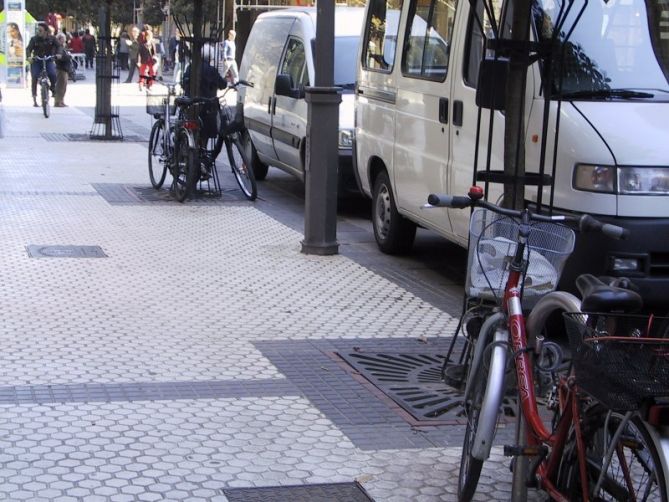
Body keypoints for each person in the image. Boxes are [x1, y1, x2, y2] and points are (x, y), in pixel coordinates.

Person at [183, 44, 227, 145]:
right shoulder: (211, 70)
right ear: (210, 57)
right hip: (208, 106)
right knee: (206, 130)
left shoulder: (191, 67)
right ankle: (203, 148)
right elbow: (223, 84)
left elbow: (184, 83)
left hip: (191, 105)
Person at [26, 22, 59, 107]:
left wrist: (59, 54)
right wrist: (29, 57)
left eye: (40, 30)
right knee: (35, 76)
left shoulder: (52, 39)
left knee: (52, 73)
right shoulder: (34, 39)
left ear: (46, 31)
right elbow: (28, 49)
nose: (38, 32)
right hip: (37, 61)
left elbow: (59, 46)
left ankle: (53, 88)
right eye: (37, 30)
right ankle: (34, 98)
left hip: (48, 60)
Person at [54, 33, 71, 107]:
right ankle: (58, 101)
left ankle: (61, 100)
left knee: (64, 86)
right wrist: (67, 56)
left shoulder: (63, 47)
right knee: (60, 86)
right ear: (59, 39)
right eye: (63, 39)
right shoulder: (57, 47)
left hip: (65, 68)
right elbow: (59, 57)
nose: (64, 40)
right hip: (60, 68)